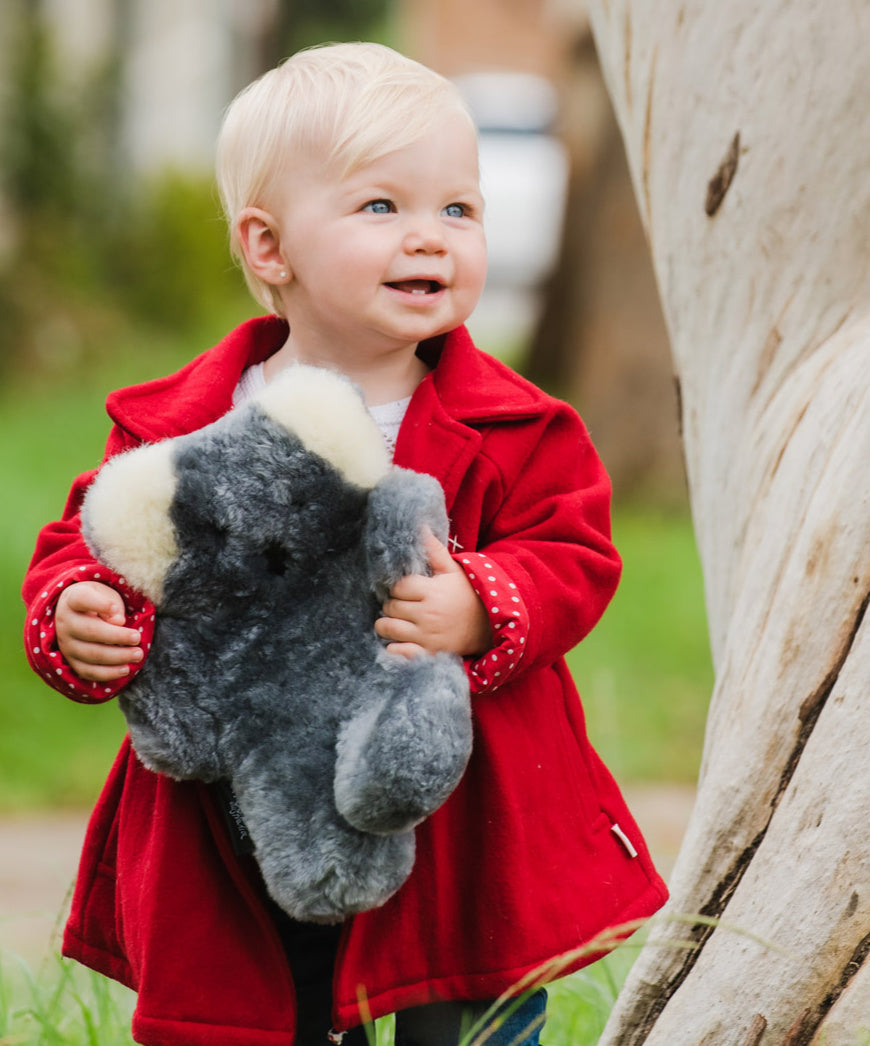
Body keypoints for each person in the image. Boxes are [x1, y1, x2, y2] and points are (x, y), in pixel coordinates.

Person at [22, 42, 668, 1046]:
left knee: (463, 1010)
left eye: (459, 209)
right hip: (240, 801)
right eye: (383, 208)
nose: (432, 237)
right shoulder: (181, 429)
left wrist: (482, 602)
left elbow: (573, 552)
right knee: (257, 1005)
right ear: (269, 245)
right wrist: (80, 615)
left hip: (451, 808)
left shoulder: (514, 427)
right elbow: (92, 540)